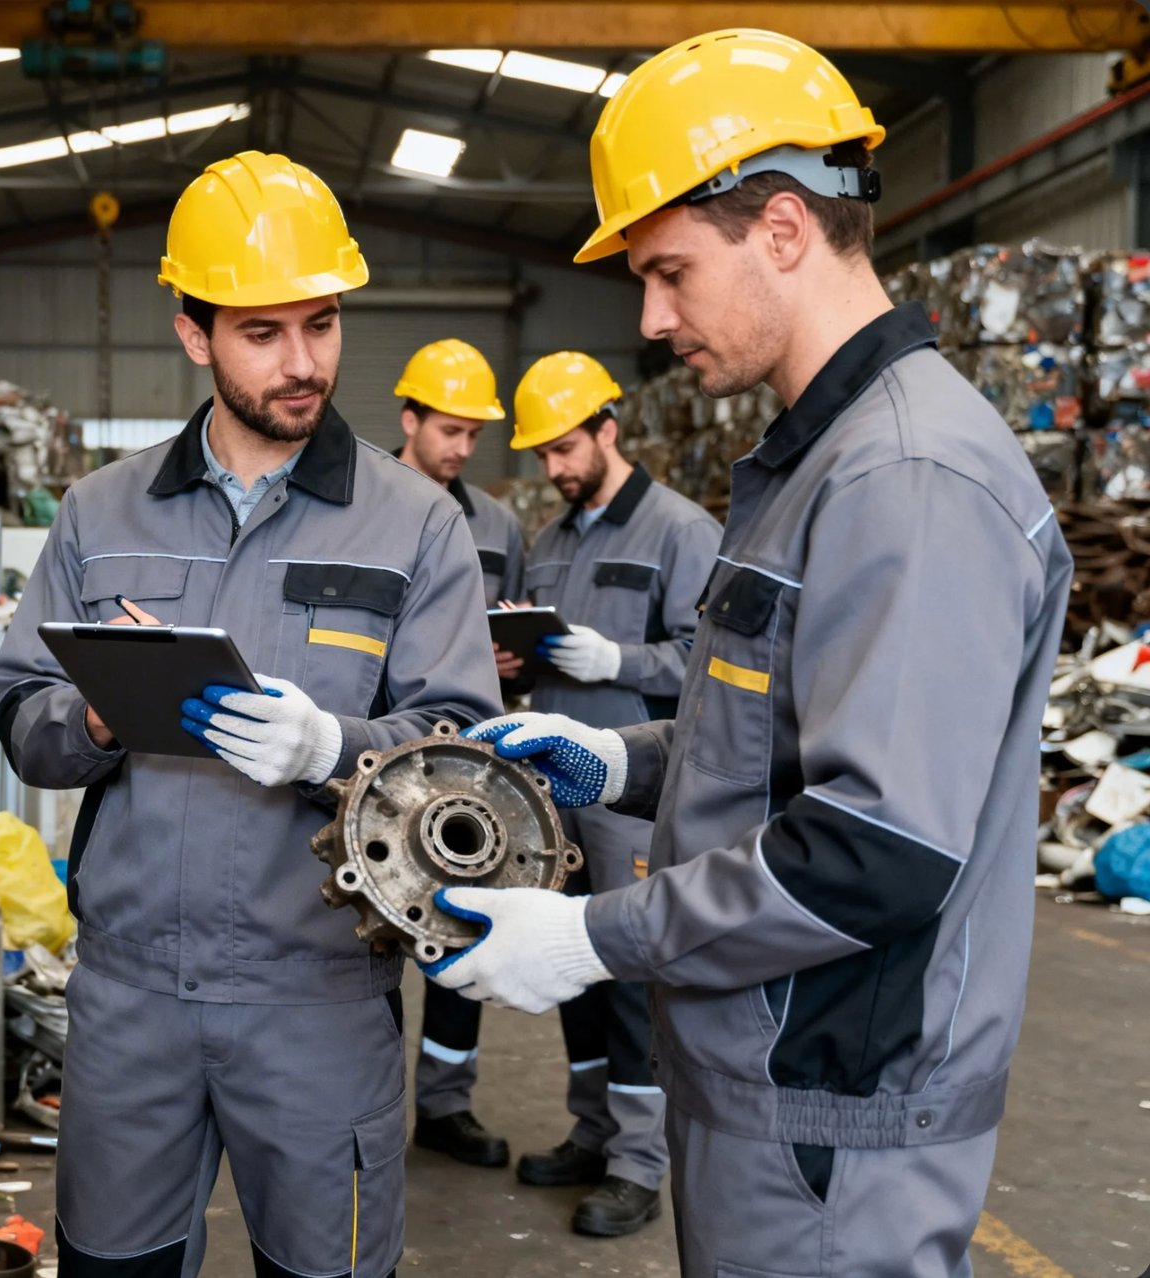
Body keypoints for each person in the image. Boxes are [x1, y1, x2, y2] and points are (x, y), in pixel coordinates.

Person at [424, 29, 1072, 1277]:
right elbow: (777, 722)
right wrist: (613, 761)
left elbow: (874, 854)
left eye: (669, 272)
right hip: (767, 1081)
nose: (655, 321)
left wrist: (591, 938)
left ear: (782, 228)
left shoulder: (908, 477)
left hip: (835, 1113)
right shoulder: (810, 461)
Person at [0, 150, 501, 1278]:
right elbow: (23, 715)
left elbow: (464, 760)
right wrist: (101, 720)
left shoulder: (414, 524)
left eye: (320, 324)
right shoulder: (99, 513)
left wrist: (336, 749)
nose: (304, 361)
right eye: (263, 333)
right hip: (131, 1003)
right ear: (194, 333)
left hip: (317, 999)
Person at [499, 351, 720, 1235]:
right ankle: (592, 1134)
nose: (554, 468)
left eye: (565, 447)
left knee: (631, 975)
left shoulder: (681, 531)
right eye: (541, 455)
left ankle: (639, 1162)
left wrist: (618, 661)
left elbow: (712, 673)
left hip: (633, 796)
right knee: (573, 966)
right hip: (557, 801)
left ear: (608, 428)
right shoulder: (550, 543)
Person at [388, 338, 525, 1168]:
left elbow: (518, 618)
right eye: (448, 429)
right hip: (373, 754)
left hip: (464, 763)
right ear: (408, 419)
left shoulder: (499, 524)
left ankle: (443, 1103)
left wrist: (513, 657)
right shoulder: (358, 510)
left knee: (458, 930)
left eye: (474, 434)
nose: (461, 448)